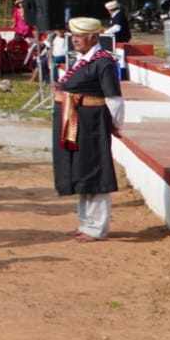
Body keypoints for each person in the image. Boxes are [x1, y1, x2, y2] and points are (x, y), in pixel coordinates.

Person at [53, 17, 124, 242]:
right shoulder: (83, 59)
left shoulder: (103, 62)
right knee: (82, 171)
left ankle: (97, 227)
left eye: (79, 36)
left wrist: (113, 125)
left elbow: (114, 99)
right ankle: (86, 222)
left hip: (92, 125)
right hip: (77, 123)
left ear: (94, 37)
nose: (75, 40)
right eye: (73, 36)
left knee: (95, 172)